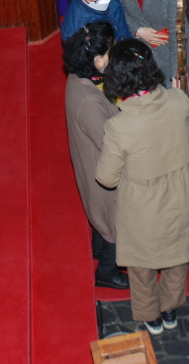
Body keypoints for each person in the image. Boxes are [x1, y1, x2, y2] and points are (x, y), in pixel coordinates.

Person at [95, 39, 189, 335]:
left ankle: (151, 316)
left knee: (141, 266)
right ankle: (170, 309)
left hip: (143, 208)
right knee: (178, 257)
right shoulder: (176, 100)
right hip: (183, 196)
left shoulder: (119, 127)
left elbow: (106, 178)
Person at [63, 22, 127, 290]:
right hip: (100, 170)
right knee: (114, 221)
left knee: (101, 217)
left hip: (92, 163)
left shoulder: (82, 76)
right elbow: (109, 143)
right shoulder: (88, 102)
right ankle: (107, 272)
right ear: (99, 60)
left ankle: (98, 248)